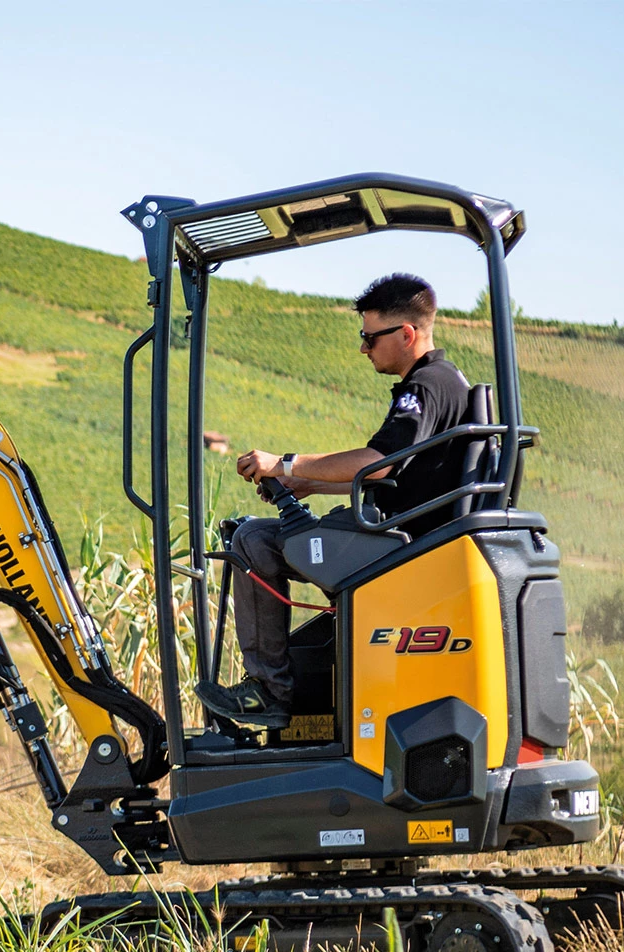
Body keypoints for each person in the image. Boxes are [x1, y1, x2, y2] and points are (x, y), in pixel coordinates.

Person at [197, 273, 471, 727]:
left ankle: (270, 693)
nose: (363, 348)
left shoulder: (424, 388)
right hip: (405, 535)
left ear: (406, 334)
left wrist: (286, 465)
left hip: (402, 549)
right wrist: (313, 487)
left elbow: (378, 464)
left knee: (251, 540)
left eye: (369, 337)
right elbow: (398, 475)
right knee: (265, 537)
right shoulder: (443, 381)